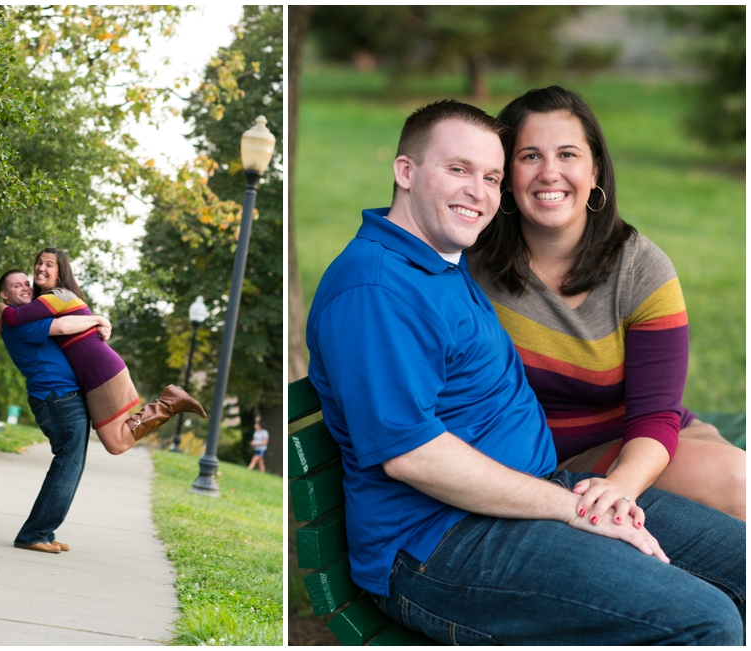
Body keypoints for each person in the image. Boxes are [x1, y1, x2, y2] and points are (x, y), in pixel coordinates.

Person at [306, 99, 744, 644]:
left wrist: (584, 499)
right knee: (707, 620)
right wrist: (570, 508)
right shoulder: (375, 288)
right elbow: (411, 456)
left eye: (491, 176)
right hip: (437, 545)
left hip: (531, 497)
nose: (478, 191)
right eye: (458, 169)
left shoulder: (442, 261)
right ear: (405, 172)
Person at [468, 86, 745, 522]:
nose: (549, 172)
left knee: (738, 484)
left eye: (567, 154)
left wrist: (618, 488)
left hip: (643, 449)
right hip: (535, 471)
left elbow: (656, 414)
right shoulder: (471, 271)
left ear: (595, 170)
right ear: (505, 175)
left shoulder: (641, 269)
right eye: (530, 156)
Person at [0, 247, 206, 455]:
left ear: (61, 274)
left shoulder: (57, 295)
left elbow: (15, 318)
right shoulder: (43, 302)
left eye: (49, 265)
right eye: (39, 263)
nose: (41, 268)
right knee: (117, 442)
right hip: (91, 374)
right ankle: (170, 402)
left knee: (116, 444)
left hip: (101, 371)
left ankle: (169, 403)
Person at [0, 268, 104, 553]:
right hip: (55, 397)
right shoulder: (16, 323)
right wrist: (98, 319)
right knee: (68, 462)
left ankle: (43, 531)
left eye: (26, 284)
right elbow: (63, 327)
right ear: (4, 295)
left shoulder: (27, 316)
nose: (25, 288)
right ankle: (34, 533)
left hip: (61, 395)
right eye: (16, 286)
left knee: (71, 464)